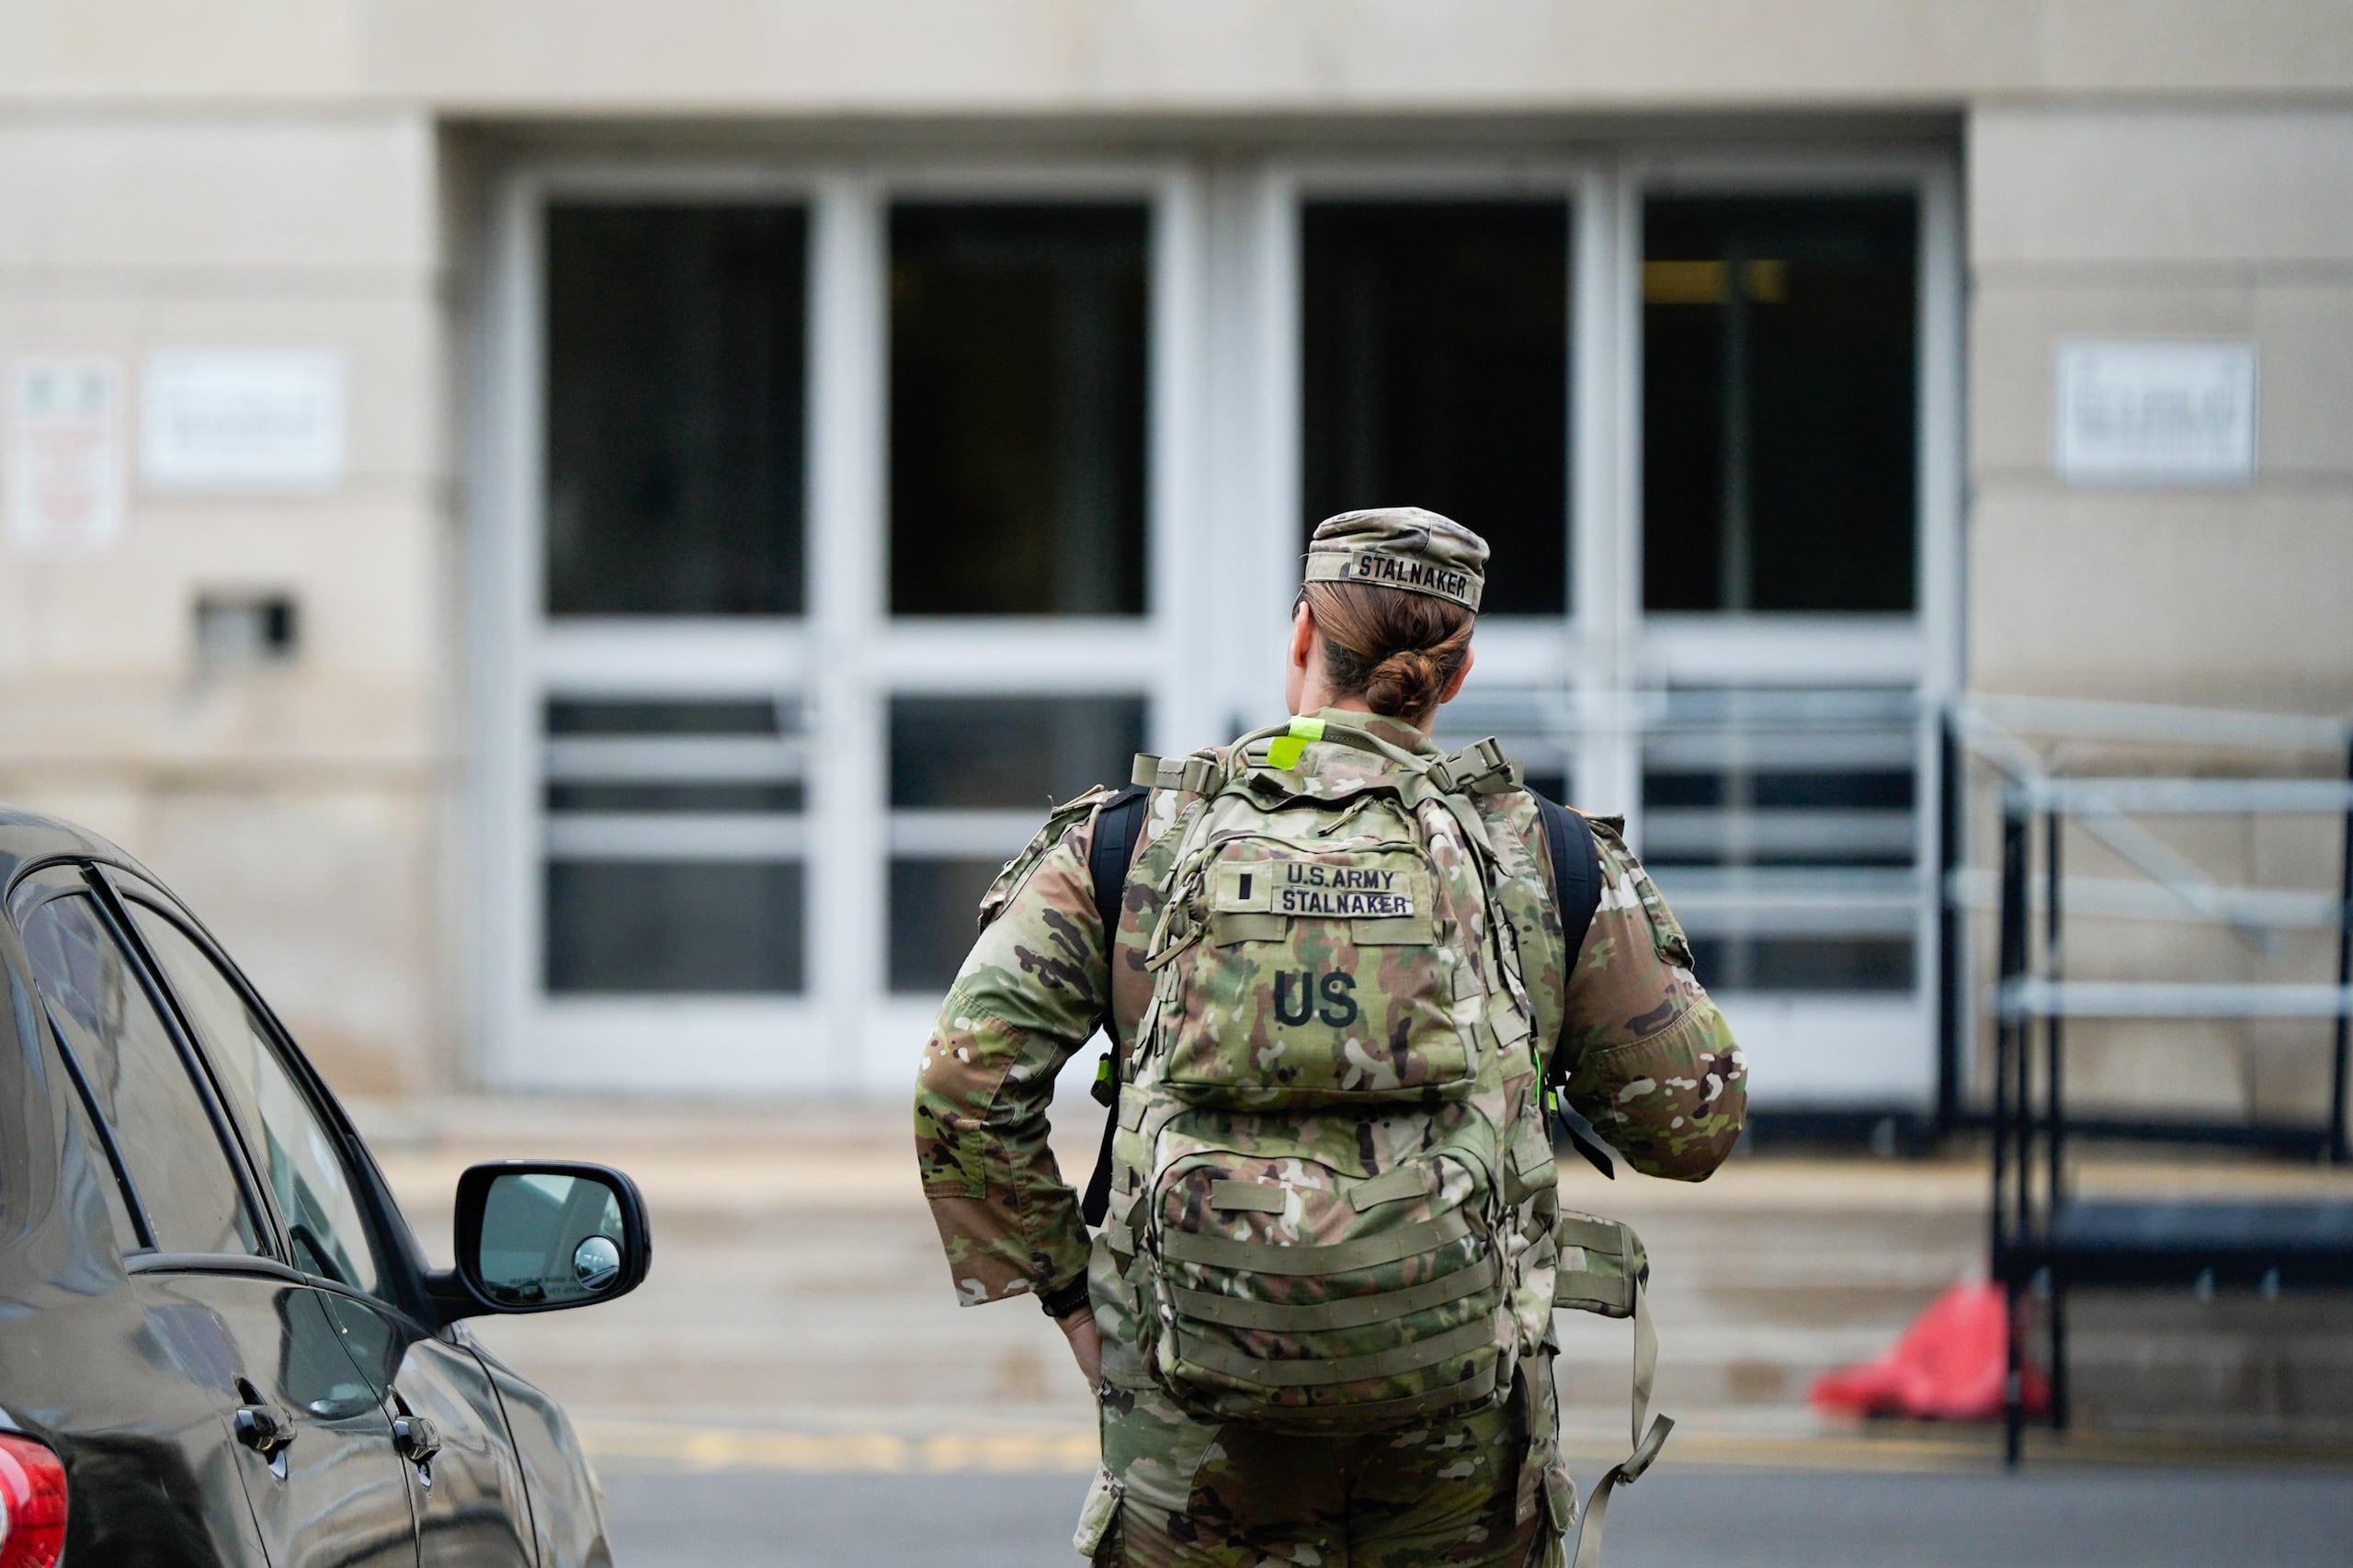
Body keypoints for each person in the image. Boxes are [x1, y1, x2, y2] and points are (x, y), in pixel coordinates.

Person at [915, 507, 1747, 1566]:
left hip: (1192, 1457)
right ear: (1457, 672)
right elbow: (1691, 1125)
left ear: (1303, 633)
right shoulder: (1546, 857)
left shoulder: (1135, 844)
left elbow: (964, 1082)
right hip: (1460, 1458)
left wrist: (1076, 1298)